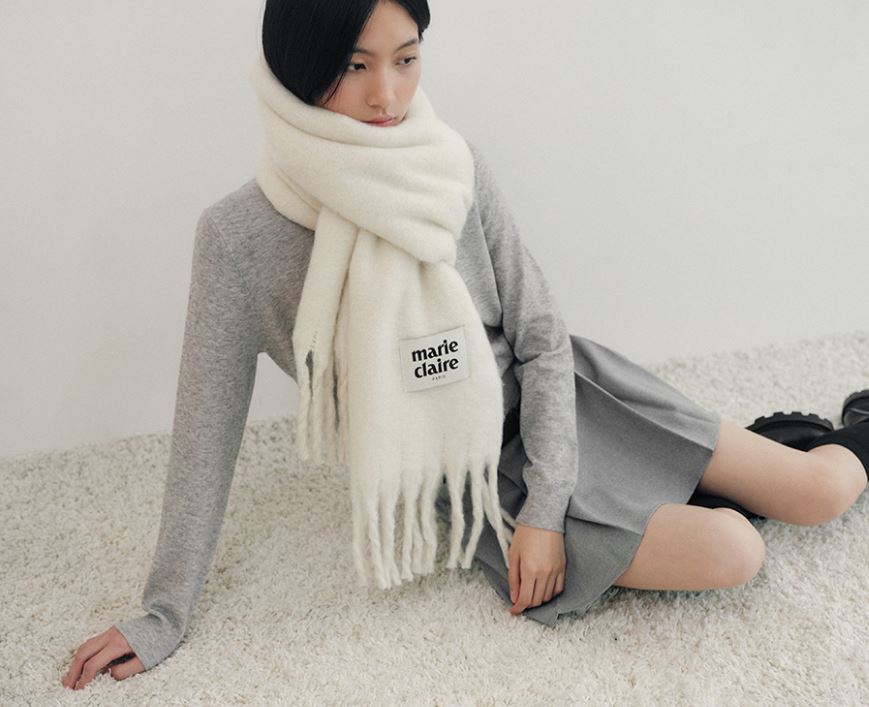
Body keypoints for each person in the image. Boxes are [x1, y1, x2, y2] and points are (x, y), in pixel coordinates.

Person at [61, 0, 869, 691]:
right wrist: (163, 611)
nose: (386, 95)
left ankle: (816, 434)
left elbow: (540, 336)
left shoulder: (449, 164)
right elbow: (204, 433)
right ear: (300, 62)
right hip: (473, 484)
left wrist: (550, 511)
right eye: (353, 66)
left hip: (569, 400)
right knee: (733, 550)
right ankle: (711, 477)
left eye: (406, 58)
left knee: (819, 494)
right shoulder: (238, 238)